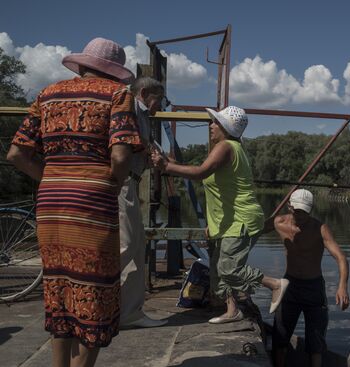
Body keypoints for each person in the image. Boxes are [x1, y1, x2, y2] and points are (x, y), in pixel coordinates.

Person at [7, 37, 140, 367]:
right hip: (93, 204)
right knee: (94, 292)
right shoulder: (118, 95)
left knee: (59, 288)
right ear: (114, 72)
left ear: (81, 66)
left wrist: (52, 178)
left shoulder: (47, 95)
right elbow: (121, 155)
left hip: (51, 203)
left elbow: (16, 154)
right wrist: (112, 182)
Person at [151, 105, 289, 324]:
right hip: (226, 222)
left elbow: (200, 172)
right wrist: (169, 163)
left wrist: (166, 166)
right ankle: (232, 310)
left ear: (225, 127)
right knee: (217, 271)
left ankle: (274, 284)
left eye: (215, 122)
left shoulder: (226, 146)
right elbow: (205, 175)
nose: (211, 126)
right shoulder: (229, 147)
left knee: (229, 268)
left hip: (241, 220)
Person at [270, 189, 350, 367]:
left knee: (316, 344)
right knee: (280, 337)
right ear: (290, 206)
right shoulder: (278, 222)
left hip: (313, 289)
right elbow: (252, 231)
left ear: (311, 209)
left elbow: (341, 258)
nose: (301, 216)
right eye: (297, 211)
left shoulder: (320, 229)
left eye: (305, 212)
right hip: (288, 286)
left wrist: (342, 286)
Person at [118, 77, 168, 328]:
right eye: (160, 100)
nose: (161, 106)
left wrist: (152, 153)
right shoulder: (129, 105)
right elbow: (124, 142)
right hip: (123, 182)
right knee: (125, 246)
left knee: (137, 247)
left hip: (133, 181)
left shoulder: (144, 115)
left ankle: (130, 313)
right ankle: (92, 302)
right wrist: (148, 149)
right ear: (145, 93)